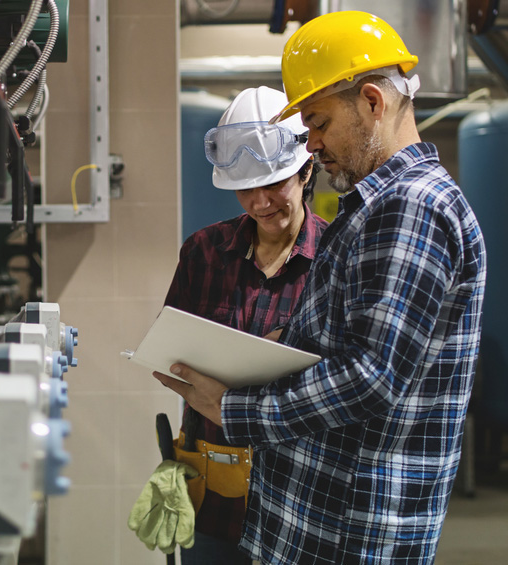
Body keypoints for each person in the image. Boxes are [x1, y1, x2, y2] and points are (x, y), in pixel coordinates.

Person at [154, 11, 487, 565]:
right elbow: (352, 346)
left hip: (353, 530)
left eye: (319, 122)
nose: (311, 143)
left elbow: (371, 376)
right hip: (321, 524)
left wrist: (232, 408)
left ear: (373, 102)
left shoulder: (411, 207)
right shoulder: (375, 208)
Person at [132, 86, 328, 562]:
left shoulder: (336, 256)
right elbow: (171, 345)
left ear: (305, 172)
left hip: (301, 495)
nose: (260, 203)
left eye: (273, 185)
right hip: (213, 494)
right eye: (245, 188)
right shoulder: (203, 252)